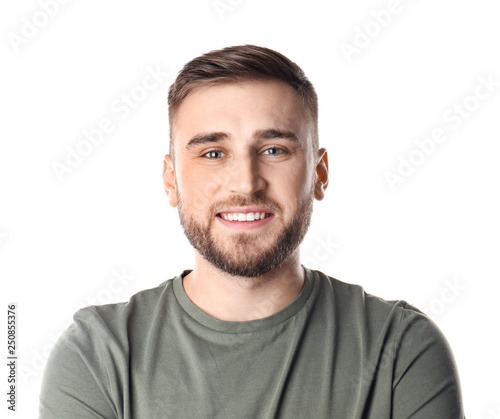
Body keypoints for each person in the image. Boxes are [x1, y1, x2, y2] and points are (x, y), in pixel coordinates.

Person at [39, 45, 465, 418]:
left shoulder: (401, 349)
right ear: (171, 180)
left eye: (274, 149)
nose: (246, 182)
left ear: (319, 173)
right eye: (213, 152)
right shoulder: (98, 354)